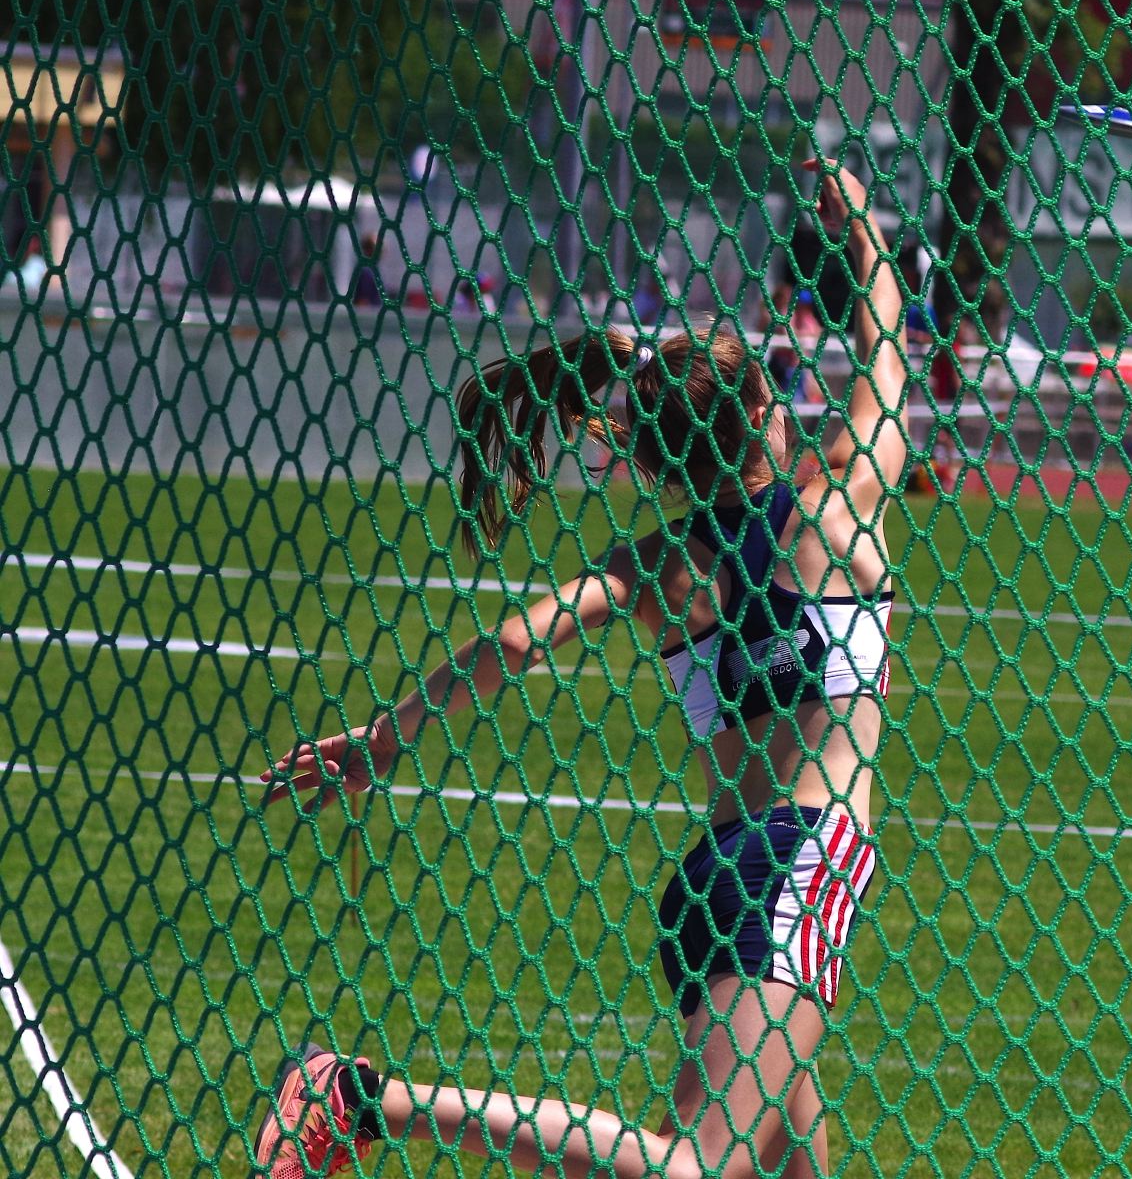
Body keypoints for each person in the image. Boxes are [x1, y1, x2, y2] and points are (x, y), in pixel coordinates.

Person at [255, 158, 908, 1179]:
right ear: (770, 415)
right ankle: (360, 1098)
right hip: (800, 866)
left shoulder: (658, 565)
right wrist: (862, 228)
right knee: (694, 1168)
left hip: (718, 878)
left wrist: (386, 737)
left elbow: (516, 641)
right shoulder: (841, 502)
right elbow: (887, 353)